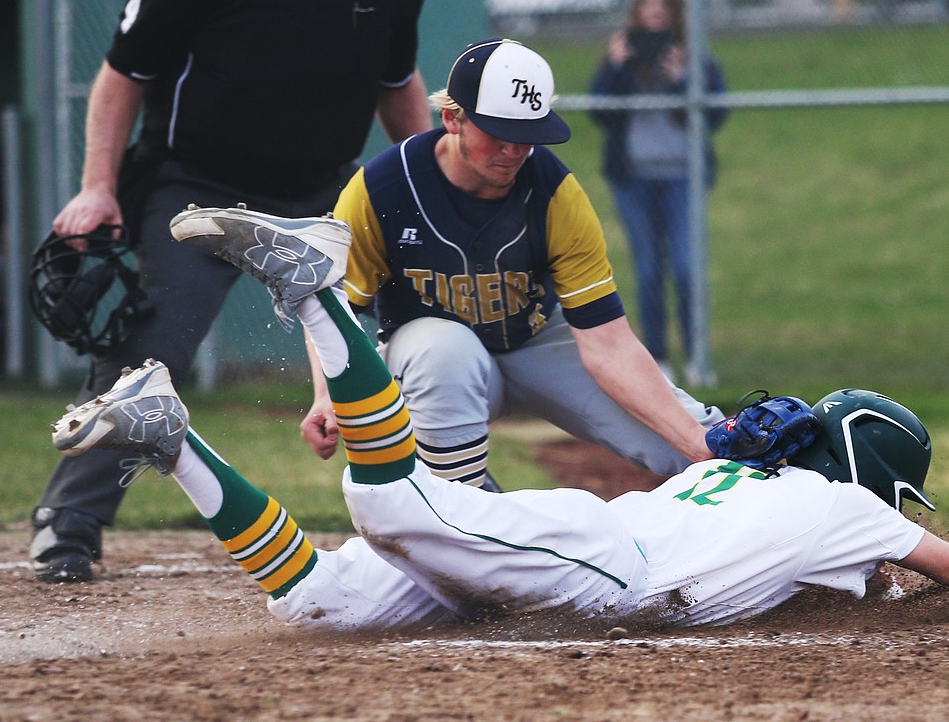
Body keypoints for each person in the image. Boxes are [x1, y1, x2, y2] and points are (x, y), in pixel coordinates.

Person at [47, 206, 949, 632]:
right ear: (871, 476)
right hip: (593, 566)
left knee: (325, 604)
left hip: (588, 539)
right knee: (389, 498)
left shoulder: (762, 481)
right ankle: (313, 289)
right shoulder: (838, 510)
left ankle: (169, 433)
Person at [29, 0, 433, 583]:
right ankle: (69, 516)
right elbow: (123, 75)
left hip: (322, 185)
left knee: (392, 324)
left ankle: (435, 511)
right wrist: (98, 186)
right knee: (158, 338)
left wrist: (419, 183)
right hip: (197, 182)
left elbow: (397, 82)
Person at [300, 37, 725, 493]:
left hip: (534, 337)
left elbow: (609, 345)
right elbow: (333, 307)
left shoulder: (555, 191)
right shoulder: (382, 188)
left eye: (527, 135)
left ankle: (767, 499)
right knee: (442, 349)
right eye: (498, 133)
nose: (515, 150)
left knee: (688, 434)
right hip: (432, 359)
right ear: (451, 119)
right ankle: (464, 511)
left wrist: (698, 444)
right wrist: (327, 395)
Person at [589, 0, 729, 384]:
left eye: (663, 4)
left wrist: (683, 78)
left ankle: (698, 357)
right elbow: (599, 113)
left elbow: (715, 115)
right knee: (648, 270)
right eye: (647, 3)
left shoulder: (692, 52)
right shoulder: (620, 53)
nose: (655, 10)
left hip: (682, 177)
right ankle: (659, 361)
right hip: (634, 179)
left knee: (686, 269)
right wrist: (618, 68)